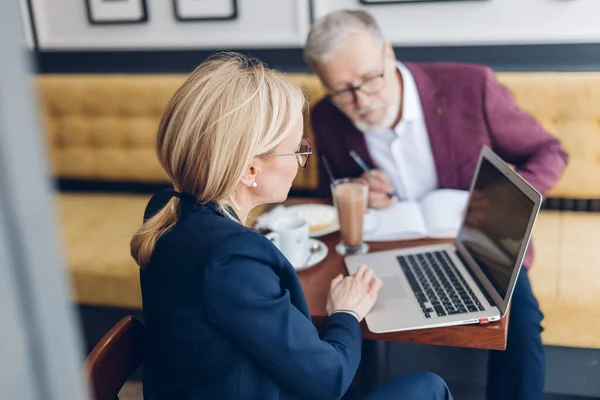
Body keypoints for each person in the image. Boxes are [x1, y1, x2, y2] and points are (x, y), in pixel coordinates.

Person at [129, 52, 454, 400]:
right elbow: (329, 380)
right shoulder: (232, 257)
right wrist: (346, 311)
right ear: (250, 170)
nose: (302, 162)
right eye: (297, 149)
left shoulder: (167, 208)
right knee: (429, 388)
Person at [304, 10, 568, 400]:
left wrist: (502, 204)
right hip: (388, 242)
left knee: (521, 324)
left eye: (369, 79)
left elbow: (549, 151)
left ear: (388, 54)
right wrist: (358, 188)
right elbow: (332, 191)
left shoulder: (470, 86)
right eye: (343, 91)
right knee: (335, 312)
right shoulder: (326, 115)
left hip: (479, 240)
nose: (361, 100)